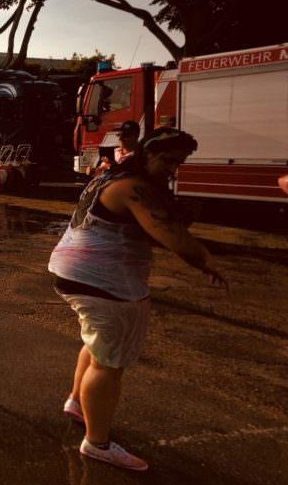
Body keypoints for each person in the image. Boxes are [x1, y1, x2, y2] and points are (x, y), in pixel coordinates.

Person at [49, 127, 227, 471]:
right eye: (168, 161)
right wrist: (206, 260)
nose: (172, 169)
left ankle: (76, 402)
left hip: (78, 271)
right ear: (147, 154)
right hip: (103, 280)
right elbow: (171, 236)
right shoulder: (133, 187)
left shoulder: (113, 177)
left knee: (97, 344)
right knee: (109, 363)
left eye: (179, 163)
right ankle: (97, 443)